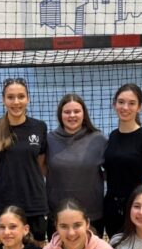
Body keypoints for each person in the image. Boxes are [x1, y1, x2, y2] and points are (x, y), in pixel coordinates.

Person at [0, 78, 48, 245]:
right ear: (3, 100)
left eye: (21, 96)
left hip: (34, 203)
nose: (16, 102)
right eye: (10, 97)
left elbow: (40, 166)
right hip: (2, 203)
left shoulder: (39, 127)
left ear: (28, 99)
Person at [45, 93, 107, 238]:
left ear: (84, 114)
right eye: (67, 112)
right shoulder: (48, 139)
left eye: (77, 111)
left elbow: (111, 171)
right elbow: (41, 169)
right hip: (58, 215)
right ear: (60, 115)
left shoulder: (98, 139)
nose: (72, 115)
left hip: (92, 214)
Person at [103, 83, 142, 237]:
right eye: (121, 102)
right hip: (111, 206)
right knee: (115, 248)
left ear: (139, 107)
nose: (125, 107)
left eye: (132, 103)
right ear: (114, 104)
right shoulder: (112, 136)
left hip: (136, 207)